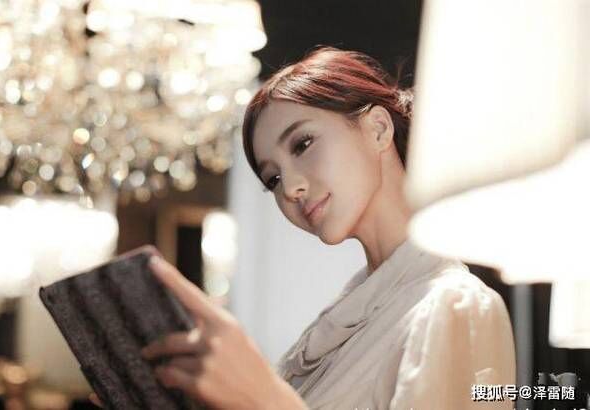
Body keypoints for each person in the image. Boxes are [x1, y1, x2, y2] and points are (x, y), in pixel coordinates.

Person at [92, 47, 516, 409]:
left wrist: (264, 398)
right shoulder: (335, 329)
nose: (290, 188)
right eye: (273, 178)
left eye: (303, 144)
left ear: (378, 128)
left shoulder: (455, 306)